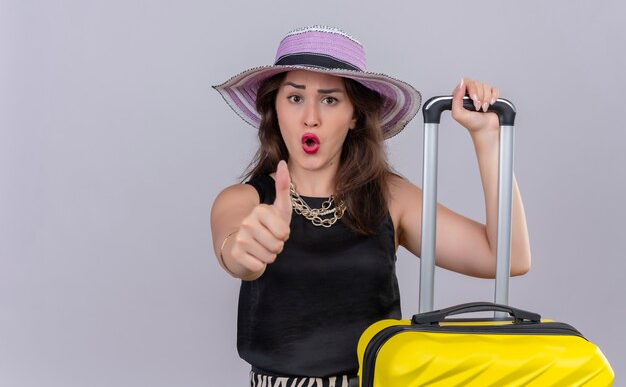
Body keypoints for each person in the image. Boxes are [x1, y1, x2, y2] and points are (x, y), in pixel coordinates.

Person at [211, 26, 531, 387]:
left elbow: (508, 257)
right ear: (276, 108)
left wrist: (488, 139)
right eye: (295, 98)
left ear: (355, 116)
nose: (310, 117)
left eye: (330, 99)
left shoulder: (392, 198)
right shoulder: (241, 201)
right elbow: (235, 253)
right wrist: (248, 250)